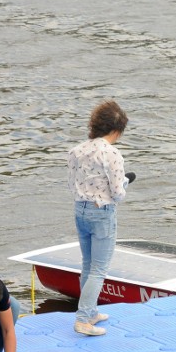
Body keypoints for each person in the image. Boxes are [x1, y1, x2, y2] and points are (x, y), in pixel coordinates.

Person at [67, 100, 131, 336]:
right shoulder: (112, 154)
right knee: (99, 268)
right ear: (117, 129)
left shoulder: (76, 151)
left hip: (80, 209)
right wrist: (125, 183)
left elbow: (72, 184)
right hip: (101, 213)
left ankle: (90, 311)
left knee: (87, 263)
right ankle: (83, 318)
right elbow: (118, 194)